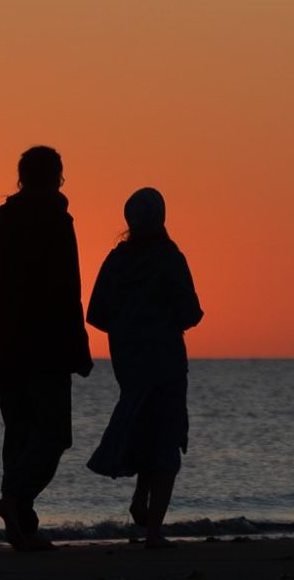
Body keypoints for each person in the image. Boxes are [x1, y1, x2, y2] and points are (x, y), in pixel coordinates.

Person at [0, 145, 93, 551]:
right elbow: (68, 291)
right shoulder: (56, 221)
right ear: (57, 177)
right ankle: (15, 502)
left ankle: (20, 529)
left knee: (20, 433)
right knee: (53, 435)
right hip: (45, 349)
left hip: (6, 348)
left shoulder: (0, 220)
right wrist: (78, 348)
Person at [85, 187, 203, 549]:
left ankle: (140, 501)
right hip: (165, 359)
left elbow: (96, 314)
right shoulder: (169, 257)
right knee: (165, 437)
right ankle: (153, 531)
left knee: (142, 425)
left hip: (129, 361)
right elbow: (191, 312)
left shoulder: (115, 261)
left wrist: (128, 330)